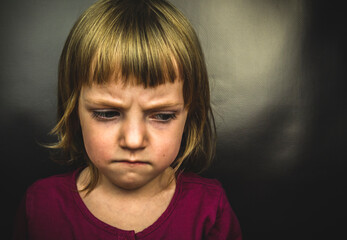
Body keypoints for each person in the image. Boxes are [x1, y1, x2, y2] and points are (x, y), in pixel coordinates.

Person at [13, 0, 242, 239]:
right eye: (107, 113)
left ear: (190, 114)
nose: (133, 141)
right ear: (73, 109)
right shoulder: (40, 207)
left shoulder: (210, 209)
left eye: (162, 116)